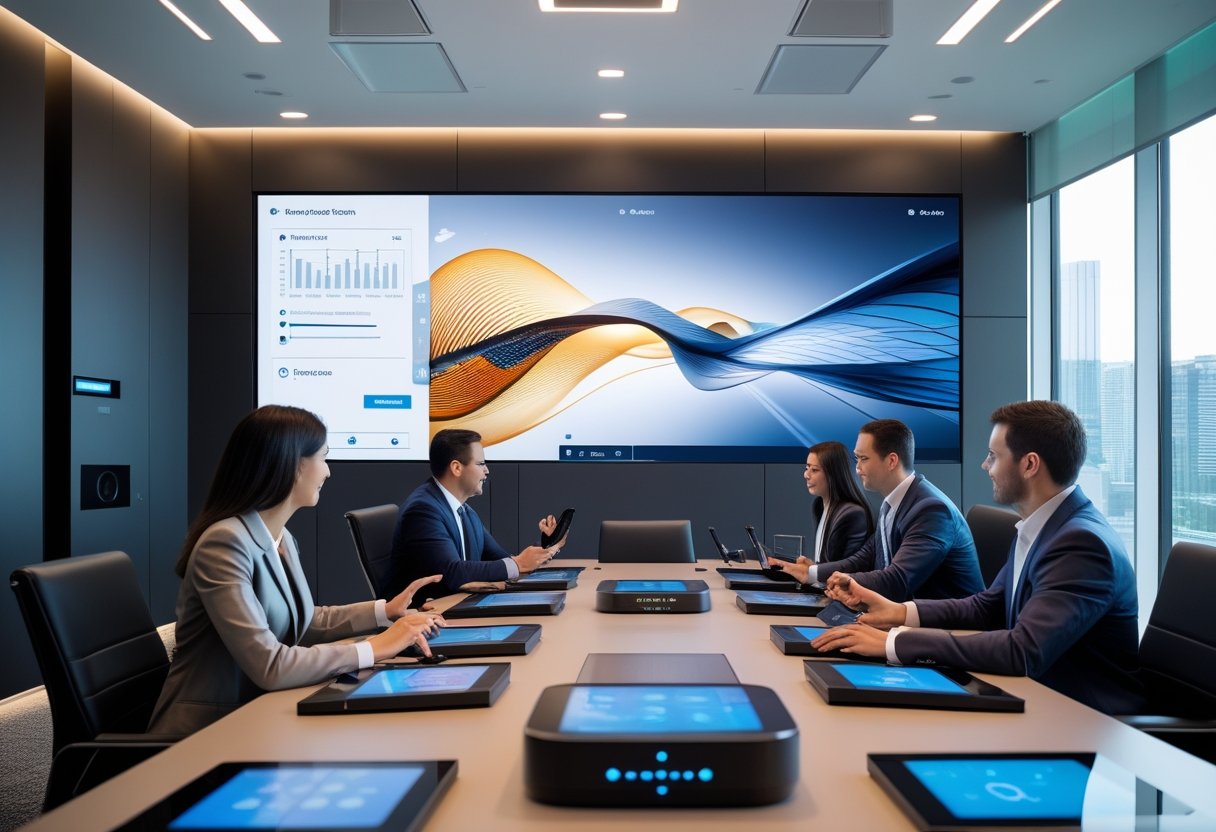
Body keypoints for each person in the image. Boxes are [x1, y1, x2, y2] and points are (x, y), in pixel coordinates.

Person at [812, 401, 1145, 715]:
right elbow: (988, 606)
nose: (985, 465)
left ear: (1029, 464)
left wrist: (895, 642)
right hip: (1032, 696)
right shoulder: (1043, 526)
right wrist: (899, 612)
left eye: (993, 456)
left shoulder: (1081, 543)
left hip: (1079, 719)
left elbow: (1023, 651)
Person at [148, 405, 444, 736]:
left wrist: (383, 612)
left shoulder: (280, 536)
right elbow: (269, 665)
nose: (328, 472)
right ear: (293, 465)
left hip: (261, 717)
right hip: (206, 735)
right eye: (323, 457)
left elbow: (303, 622)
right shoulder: (224, 543)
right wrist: (375, 648)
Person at [770, 419, 984, 601]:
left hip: (949, 631)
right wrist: (811, 573)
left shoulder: (931, 510)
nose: (857, 467)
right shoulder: (893, 502)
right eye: (857, 459)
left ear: (891, 461)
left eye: (863, 459)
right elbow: (863, 558)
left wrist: (840, 580)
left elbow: (897, 580)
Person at [388, 428, 566, 602]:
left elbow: (501, 560)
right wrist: (519, 563)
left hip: (458, 606)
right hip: (426, 619)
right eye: (481, 464)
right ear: (457, 468)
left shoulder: (463, 510)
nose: (486, 470)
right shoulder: (423, 510)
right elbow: (450, 573)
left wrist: (547, 544)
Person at [802, 440, 873, 563]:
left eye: (814, 470)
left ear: (833, 474)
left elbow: (845, 569)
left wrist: (811, 571)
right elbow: (826, 562)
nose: (806, 475)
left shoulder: (852, 514)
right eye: (806, 468)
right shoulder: (819, 506)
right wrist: (811, 567)